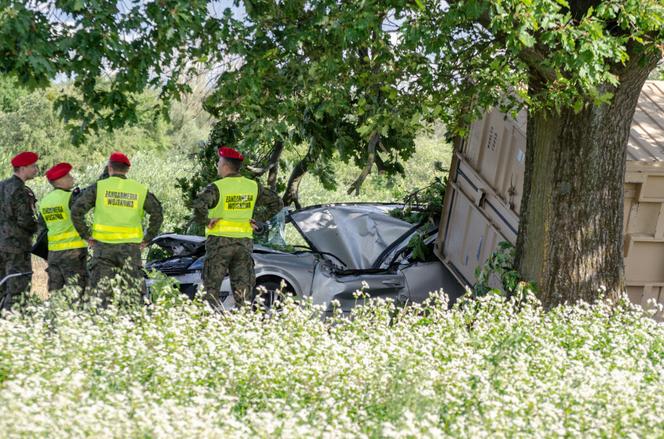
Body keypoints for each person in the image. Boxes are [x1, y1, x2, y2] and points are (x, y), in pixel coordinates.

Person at [192, 146, 283, 308]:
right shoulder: (252, 187)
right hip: (243, 244)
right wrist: (259, 220)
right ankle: (244, 324)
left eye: (219, 162)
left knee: (211, 289)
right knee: (244, 291)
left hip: (219, 244)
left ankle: (209, 323)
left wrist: (207, 220)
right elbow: (277, 203)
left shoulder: (217, 187)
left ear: (226, 166)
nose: (218, 165)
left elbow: (198, 207)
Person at [71, 152, 163, 305]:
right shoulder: (138, 189)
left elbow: (76, 211)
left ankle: (103, 326)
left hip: (103, 249)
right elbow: (157, 213)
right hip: (131, 249)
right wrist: (147, 239)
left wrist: (86, 235)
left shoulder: (99, 188)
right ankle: (133, 325)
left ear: (109, 168)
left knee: (101, 295)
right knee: (133, 295)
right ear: (127, 169)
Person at [37, 162, 88, 293]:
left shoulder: (45, 201)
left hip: (53, 253)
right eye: (68, 176)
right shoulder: (70, 197)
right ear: (60, 180)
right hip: (72, 253)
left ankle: (55, 314)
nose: (72, 178)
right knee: (77, 292)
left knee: (55, 292)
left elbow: (42, 230)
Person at [0, 151, 39, 310]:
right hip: (17, 247)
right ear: (23, 168)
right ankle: (12, 323)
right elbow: (25, 220)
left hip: (1, 245)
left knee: (2, 285)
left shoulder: (2, 186)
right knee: (18, 287)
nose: (36, 169)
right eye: (33, 166)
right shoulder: (21, 190)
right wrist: (40, 227)